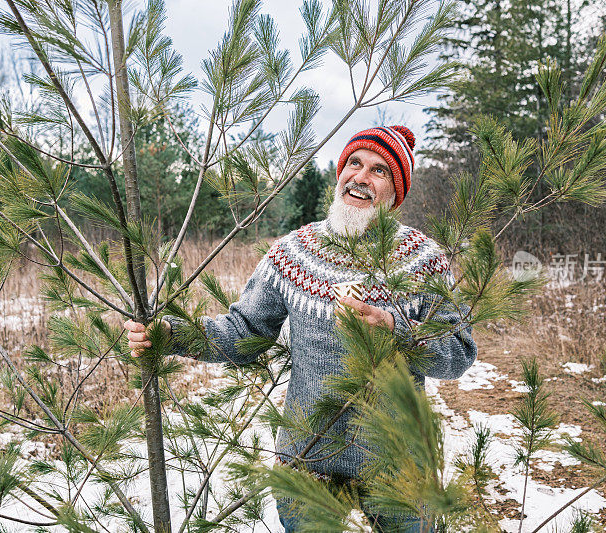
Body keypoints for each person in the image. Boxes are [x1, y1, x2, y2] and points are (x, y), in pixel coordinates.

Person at [125, 125, 477, 532]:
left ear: (396, 194)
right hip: (308, 456)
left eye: (379, 171)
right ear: (340, 172)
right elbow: (244, 330)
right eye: (354, 163)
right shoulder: (294, 252)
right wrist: (171, 335)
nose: (361, 178)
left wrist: (395, 328)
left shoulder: (424, 260)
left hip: (397, 461)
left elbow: (459, 353)